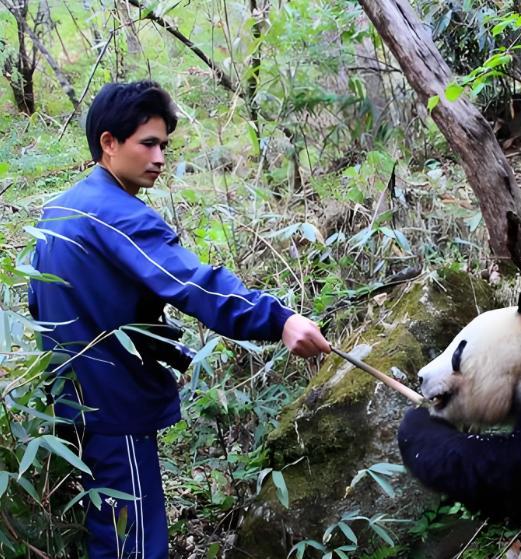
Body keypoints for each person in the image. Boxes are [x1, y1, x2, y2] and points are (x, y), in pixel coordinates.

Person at [28, 81, 330, 559]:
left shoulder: (58, 211)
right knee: (135, 545)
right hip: (114, 408)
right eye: (147, 143)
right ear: (109, 143)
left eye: (164, 145)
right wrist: (279, 319)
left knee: (111, 534)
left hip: (70, 405)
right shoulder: (119, 216)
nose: (160, 157)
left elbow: (40, 303)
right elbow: (193, 283)